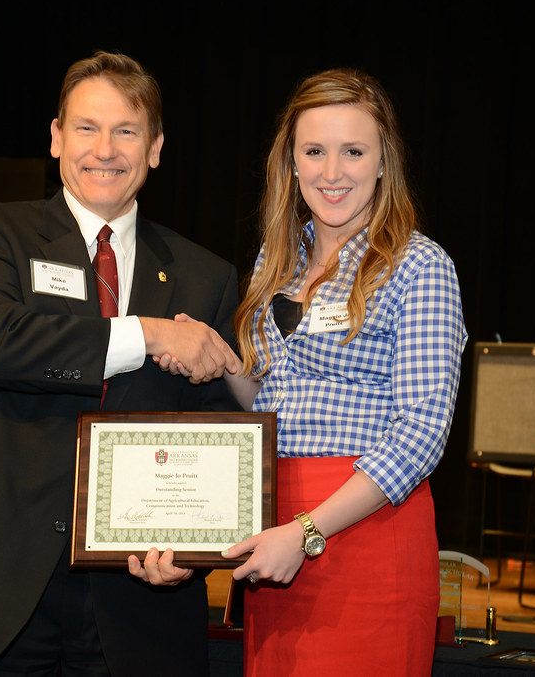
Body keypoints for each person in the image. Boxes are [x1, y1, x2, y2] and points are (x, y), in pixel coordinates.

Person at [0, 51, 241, 676]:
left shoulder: (207, 276)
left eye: (126, 131)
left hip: (137, 602)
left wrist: (192, 547)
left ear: (155, 148)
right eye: (86, 127)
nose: (105, 149)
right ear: (56, 138)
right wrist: (148, 333)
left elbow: (211, 428)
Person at [156, 68, 467, 674]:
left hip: (367, 531)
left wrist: (305, 532)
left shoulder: (419, 266)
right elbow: (269, 402)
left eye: (354, 151)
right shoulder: (276, 262)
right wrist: (223, 360)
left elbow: (422, 433)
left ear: (384, 163)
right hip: (275, 533)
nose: (332, 172)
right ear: (291, 163)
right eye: (314, 151)